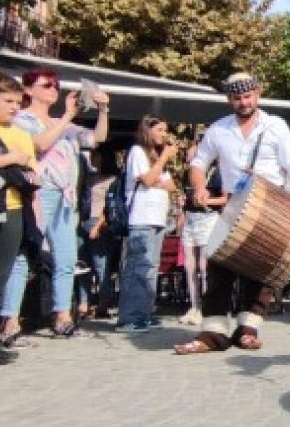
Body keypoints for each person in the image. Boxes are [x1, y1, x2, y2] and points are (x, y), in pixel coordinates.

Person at [175, 72, 290, 354]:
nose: (243, 102)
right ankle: (213, 333)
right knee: (220, 266)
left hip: (272, 205)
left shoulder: (276, 126)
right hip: (233, 207)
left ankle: (248, 329)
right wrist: (200, 187)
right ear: (230, 99)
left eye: (248, 96)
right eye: (238, 98)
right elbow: (199, 163)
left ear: (257, 93)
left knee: (260, 269)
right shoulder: (218, 129)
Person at [0, 68, 109, 341]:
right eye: (46, 85)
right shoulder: (22, 119)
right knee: (26, 255)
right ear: (28, 90)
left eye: (55, 85)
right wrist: (69, 115)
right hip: (39, 193)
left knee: (67, 257)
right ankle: (10, 320)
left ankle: (62, 315)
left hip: (65, 197)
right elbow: (39, 145)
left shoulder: (62, 123)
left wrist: (103, 110)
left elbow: (97, 138)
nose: (53, 90)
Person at [115, 115, 179, 333]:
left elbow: (170, 186)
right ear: (148, 130)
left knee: (151, 268)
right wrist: (161, 164)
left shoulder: (158, 157)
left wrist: (159, 170)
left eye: (165, 129)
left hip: (158, 218)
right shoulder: (137, 152)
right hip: (141, 218)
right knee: (137, 267)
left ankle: (144, 312)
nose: (164, 134)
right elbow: (148, 180)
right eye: (160, 129)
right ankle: (128, 317)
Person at [0, 73, 39, 357]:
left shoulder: (21, 134)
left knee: (2, 275)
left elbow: (32, 174)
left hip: (13, 208)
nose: (14, 107)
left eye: (17, 102)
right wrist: (11, 158)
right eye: (7, 101)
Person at [178, 136, 225, 326]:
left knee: (204, 266)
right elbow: (186, 195)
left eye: (192, 148)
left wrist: (208, 201)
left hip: (208, 218)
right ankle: (194, 305)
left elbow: (226, 199)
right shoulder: (188, 173)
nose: (189, 152)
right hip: (191, 217)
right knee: (190, 265)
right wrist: (183, 204)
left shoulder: (217, 172)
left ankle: (207, 307)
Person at [76, 146, 121, 320]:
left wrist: (99, 225)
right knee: (82, 265)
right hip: (83, 221)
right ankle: (83, 303)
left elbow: (110, 206)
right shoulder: (89, 176)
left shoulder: (112, 179)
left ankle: (103, 303)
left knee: (101, 265)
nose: (92, 158)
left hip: (99, 223)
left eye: (96, 155)